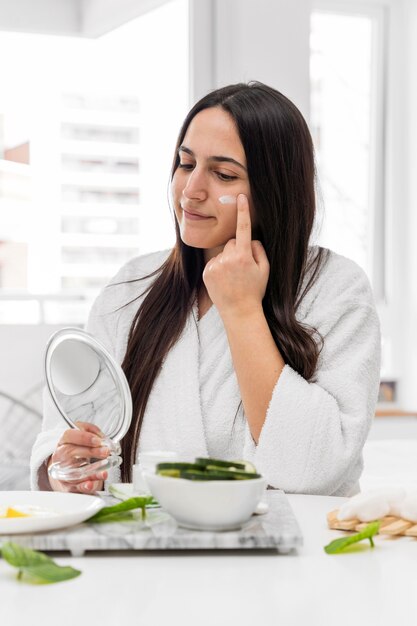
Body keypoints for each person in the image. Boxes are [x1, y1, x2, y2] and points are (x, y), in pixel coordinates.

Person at [31, 81, 380, 496]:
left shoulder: (336, 290)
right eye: (185, 163)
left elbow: (311, 468)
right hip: (146, 552)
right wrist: (66, 467)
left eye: (223, 174)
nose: (191, 190)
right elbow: (67, 433)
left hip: (292, 557)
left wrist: (242, 310)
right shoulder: (130, 289)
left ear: (276, 190)